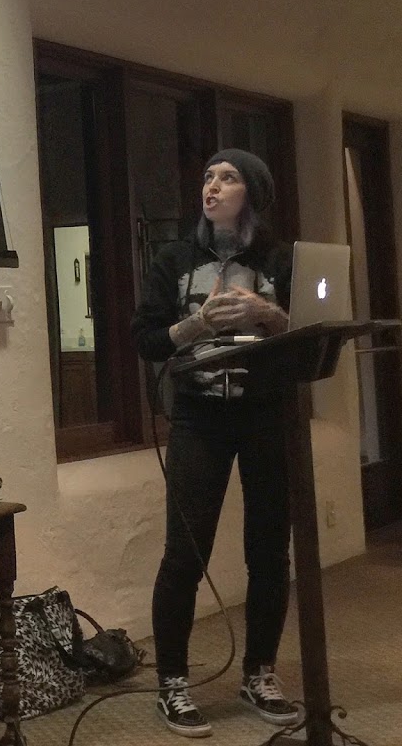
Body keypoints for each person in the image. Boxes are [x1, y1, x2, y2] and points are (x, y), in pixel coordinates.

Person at [131, 149, 300, 738]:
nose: (212, 186)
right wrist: (198, 324)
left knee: (269, 553)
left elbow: (314, 327)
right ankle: (172, 684)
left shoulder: (281, 259)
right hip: (198, 419)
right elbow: (147, 339)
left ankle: (260, 673)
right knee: (185, 554)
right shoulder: (173, 259)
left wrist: (270, 314)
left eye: (227, 178)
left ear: (252, 192)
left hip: (266, 416)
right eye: (207, 176)